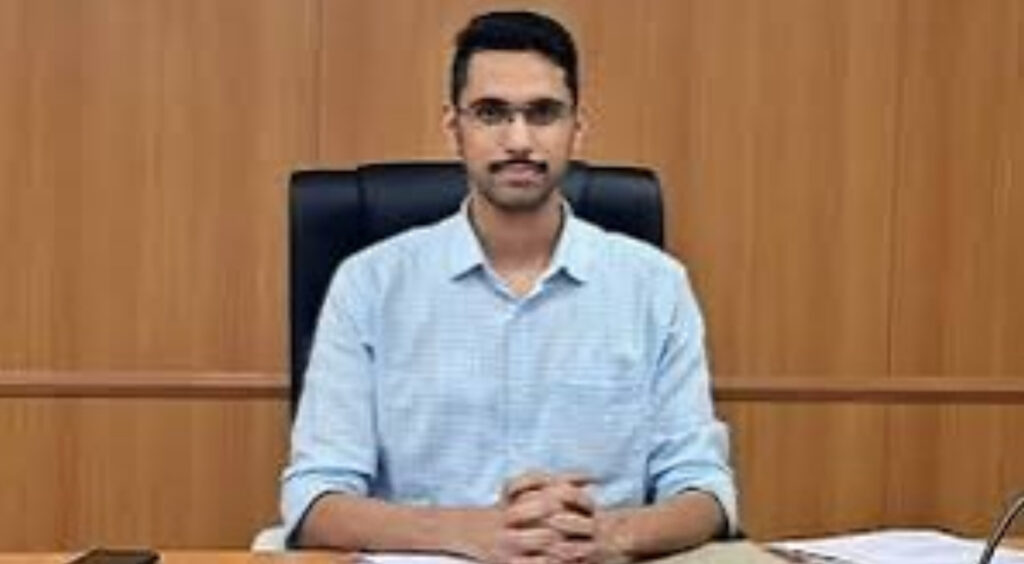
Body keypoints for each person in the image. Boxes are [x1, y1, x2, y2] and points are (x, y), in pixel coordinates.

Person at [280, 10, 737, 563]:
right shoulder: (371, 284)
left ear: (577, 127)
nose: (519, 140)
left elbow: (705, 492)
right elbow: (314, 501)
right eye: (491, 113)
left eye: (543, 113)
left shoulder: (655, 286)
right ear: (454, 128)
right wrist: (469, 532)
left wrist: (611, 535)